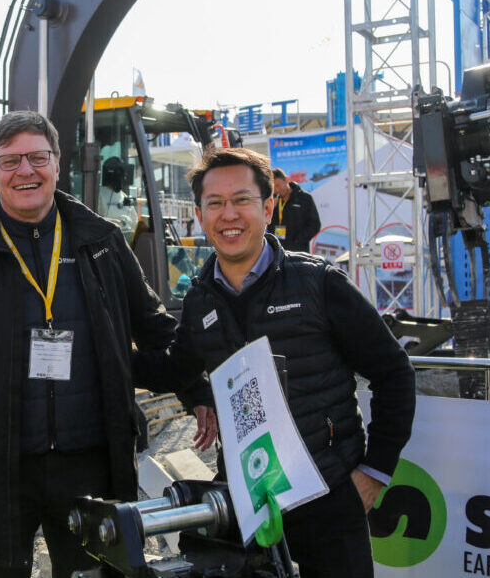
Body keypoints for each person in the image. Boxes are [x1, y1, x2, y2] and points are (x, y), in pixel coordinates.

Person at [0, 110, 217, 578]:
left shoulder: (104, 244)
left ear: (56, 164)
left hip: (89, 466)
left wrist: (198, 394)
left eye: (37, 157)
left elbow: (156, 332)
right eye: (10, 161)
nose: (25, 171)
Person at [173, 148, 415, 578]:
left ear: (268, 208)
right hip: (249, 503)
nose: (229, 214)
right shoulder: (198, 301)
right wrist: (197, 396)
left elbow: (393, 372)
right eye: (215, 203)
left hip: (330, 498)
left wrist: (375, 471)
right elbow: (176, 365)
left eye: (242, 200)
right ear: (199, 214)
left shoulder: (318, 283)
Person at [268, 167, 321, 253]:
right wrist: (271, 208)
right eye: (274, 187)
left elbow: (315, 225)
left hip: (299, 252)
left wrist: (298, 241)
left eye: (278, 185)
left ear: (286, 179)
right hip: (280, 251)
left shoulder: (304, 198)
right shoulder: (274, 201)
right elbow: (268, 225)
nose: (277, 190)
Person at [97, 155, 137, 236]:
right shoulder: (98, 194)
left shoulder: (124, 196)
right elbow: (93, 221)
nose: (123, 177)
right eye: (120, 174)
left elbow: (134, 224)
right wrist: (116, 222)